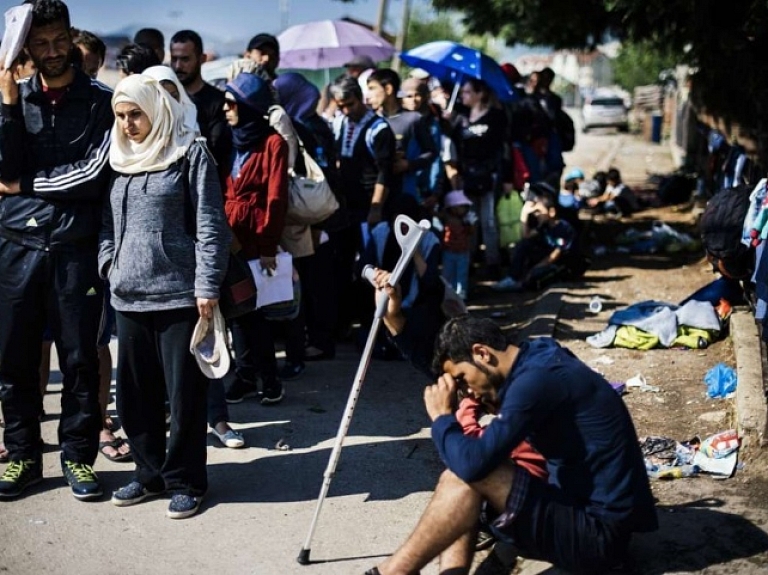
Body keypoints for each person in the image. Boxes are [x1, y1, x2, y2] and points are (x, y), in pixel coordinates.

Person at [364, 313, 658, 575]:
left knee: (467, 473)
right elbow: (473, 447)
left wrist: (442, 419)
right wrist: (396, 321)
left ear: (482, 353)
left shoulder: (535, 382)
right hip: (579, 514)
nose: (467, 392)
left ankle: (394, 572)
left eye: (463, 379)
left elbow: (474, 464)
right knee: (464, 474)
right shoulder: (537, 356)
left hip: (597, 538)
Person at [100, 74, 230, 518]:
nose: (129, 124)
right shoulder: (120, 158)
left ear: (156, 110)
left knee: (184, 396)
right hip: (127, 296)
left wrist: (207, 286)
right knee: (135, 395)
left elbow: (212, 224)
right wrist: (109, 264)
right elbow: (107, 226)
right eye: (121, 116)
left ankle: (187, 481)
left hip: (179, 296)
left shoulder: (190, 154)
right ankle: (149, 472)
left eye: (136, 113)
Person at [0, 0, 114, 500]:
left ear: (72, 38)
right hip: (15, 245)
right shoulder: (14, 99)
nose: (52, 52)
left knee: (80, 360)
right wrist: (6, 104)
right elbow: (1, 171)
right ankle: (22, 456)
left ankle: (78, 458)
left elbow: (92, 176)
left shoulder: (101, 101)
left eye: (59, 41)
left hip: (76, 248)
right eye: (41, 44)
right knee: (14, 360)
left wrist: (24, 182)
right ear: (27, 47)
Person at [144, 64, 245, 449]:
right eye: (157, 92)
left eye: (171, 91)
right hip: (153, 272)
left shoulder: (195, 142)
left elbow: (208, 212)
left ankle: (218, 420)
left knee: (208, 343)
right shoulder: (132, 146)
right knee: (166, 360)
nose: (165, 99)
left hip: (195, 262)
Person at [221, 72, 288, 405]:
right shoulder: (229, 138)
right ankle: (245, 376)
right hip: (230, 239)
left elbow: (276, 198)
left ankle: (270, 379)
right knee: (237, 311)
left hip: (256, 238)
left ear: (248, 106)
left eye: (232, 103)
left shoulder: (274, 143)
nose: (226, 109)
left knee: (257, 316)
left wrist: (267, 247)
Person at [329, 75, 397, 338]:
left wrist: (376, 208)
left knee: (372, 266)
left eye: (350, 104)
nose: (346, 110)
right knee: (343, 265)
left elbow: (385, 172)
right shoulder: (341, 123)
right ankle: (346, 322)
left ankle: (375, 326)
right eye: (341, 105)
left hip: (370, 208)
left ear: (360, 98)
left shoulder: (378, 129)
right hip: (346, 206)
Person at [453, 78, 508, 280]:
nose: (463, 96)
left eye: (467, 92)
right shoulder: (461, 117)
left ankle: (493, 263)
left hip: (489, 175)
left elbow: (503, 149)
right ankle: (471, 260)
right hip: (467, 175)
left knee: (489, 220)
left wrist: (505, 176)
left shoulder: (495, 117)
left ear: (480, 94)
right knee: (471, 219)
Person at [367, 69, 437, 209]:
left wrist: (409, 165)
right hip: (374, 193)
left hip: (405, 192)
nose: (368, 95)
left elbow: (431, 152)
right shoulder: (371, 120)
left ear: (388, 89)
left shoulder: (413, 119)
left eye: (372, 89)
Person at [493, 185, 580, 292]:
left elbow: (555, 255)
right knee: (523, 245)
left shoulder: (564, 228)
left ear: (551, 212)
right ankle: (513, 278)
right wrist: (524, 215)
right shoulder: (543, 226)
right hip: (546, 260)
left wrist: (536, 268)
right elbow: (525, 236)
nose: (536, 215)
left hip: (561, 265)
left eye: (539, 211)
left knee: (537, 276)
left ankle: (524, 283)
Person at [170, 29, 231, 171]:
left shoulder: (218, 101)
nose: (178, 66)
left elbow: (216, 151)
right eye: (174, 59)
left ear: (202, 59)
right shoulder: (165, 99)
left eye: (185, 59)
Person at [440, 190, 477, 301]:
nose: (464, 209)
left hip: (463, 252)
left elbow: (471, 231)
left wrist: (470, 223)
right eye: (461, 207)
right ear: (453, 208)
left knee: (462, 274)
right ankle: (448, 294)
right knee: (448, 274)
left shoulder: (466, 219)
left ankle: (460, 294)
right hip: (449, 252)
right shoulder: (446, 219)